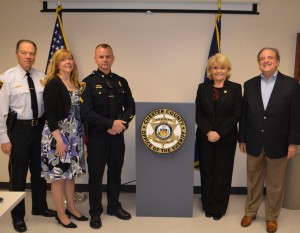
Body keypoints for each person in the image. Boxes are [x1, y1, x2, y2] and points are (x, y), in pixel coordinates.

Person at [239, 47, 300, 233]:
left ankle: (272, 217)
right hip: (254, 141)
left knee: (275, 184)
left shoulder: (291, 85)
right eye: (262, 58)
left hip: (279, 143)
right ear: (258, 62)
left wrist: (293, 143)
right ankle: (250, 212)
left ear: (278, 61)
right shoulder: (248, 85)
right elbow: (244, 114)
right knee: (253, 181)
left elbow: (296, 116)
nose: (266, 61)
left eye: (270, 58)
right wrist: (242, 138)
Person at [0, 39, 56, 232]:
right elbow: (0, 111)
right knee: (18, 175)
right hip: (19, 130)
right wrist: (4, 138)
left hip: (39, 128)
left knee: (39, 172)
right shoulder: (7, 78)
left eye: (32, 53)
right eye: (24, 53)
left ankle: (40, 207)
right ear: (17, 53)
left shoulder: (42, 76)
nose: (28, 56)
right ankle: (17, 216)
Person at [80, 43, 135, 229]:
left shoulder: (121, 81)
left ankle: (113, 206)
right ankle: (95, 211)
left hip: (117, 136)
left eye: (108, 56)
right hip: (97, 137)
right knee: (96, 175)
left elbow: (130, 106)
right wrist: (110, 124)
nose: (105, 60)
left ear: (113, 57)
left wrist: (121, 124)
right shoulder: (87, 83)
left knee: (115, 173)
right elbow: (85, 112)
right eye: (101, 57)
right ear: (95, 59)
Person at [41, 48, 88, 228]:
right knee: (59, 176)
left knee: (70, 176)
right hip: (58, 136)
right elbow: (50, 114)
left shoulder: (76, 83)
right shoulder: (53, 83)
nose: (68, 62)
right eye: (63, 60)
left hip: (74, 136)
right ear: (57, 64)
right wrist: (59, 140)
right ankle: (61, 214)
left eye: (70, 59)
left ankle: (72, 209)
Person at [195, 53, 242, 220]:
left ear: (227, 70)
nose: (219, 71)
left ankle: (219, 208)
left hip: (226, 138)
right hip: (205, 137)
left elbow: (236, 114)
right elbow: (198, 113)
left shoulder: (236, 88)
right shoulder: (203, 88)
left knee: (223, 173)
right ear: (210, 70)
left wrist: (219, 132)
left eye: (222, 67)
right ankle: (208, 205)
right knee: (207, 172)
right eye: (215, 68)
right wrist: (208, 131)